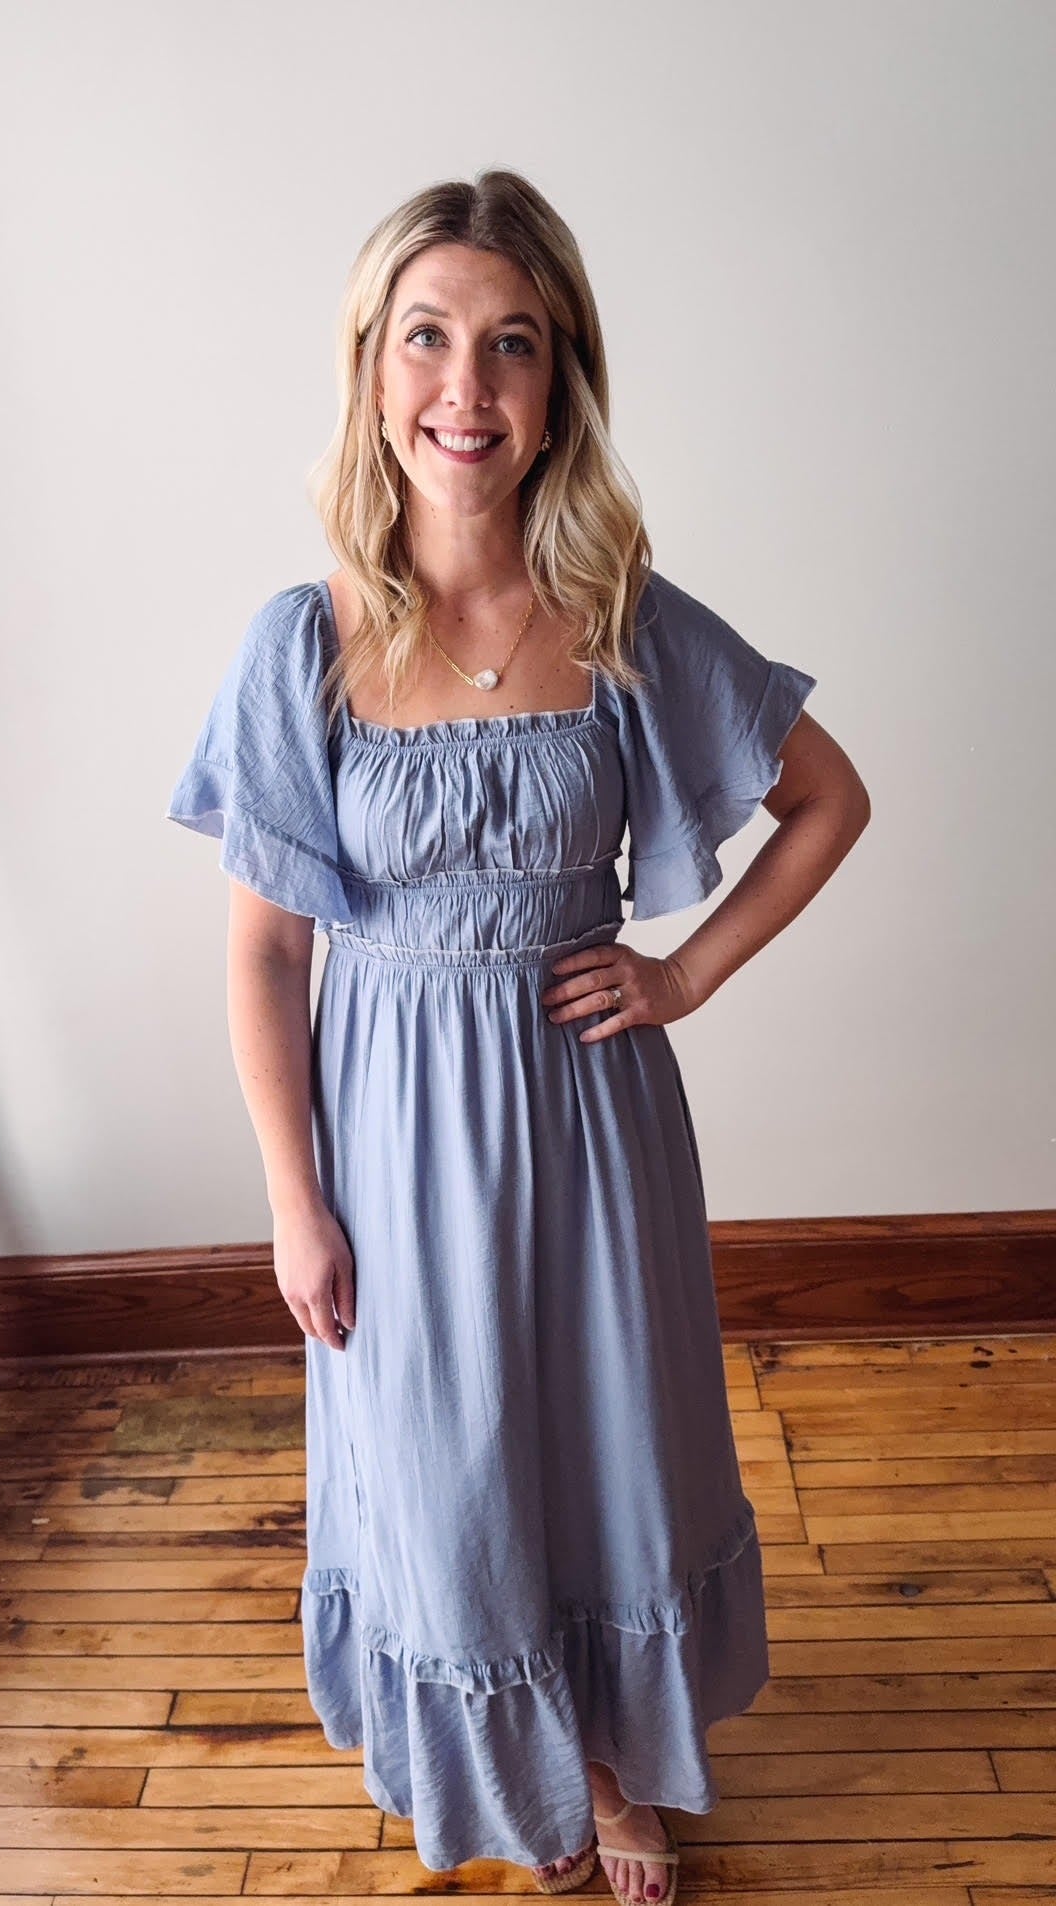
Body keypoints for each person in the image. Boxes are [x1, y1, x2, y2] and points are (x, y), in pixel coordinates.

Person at [167, 168, 870, 1905]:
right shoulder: (304, 644)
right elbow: (264, 952)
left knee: (604, 1437)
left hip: (590, 1116)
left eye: (511, 346)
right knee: (450, 1459)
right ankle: (511, 1754)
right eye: (427, 338)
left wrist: (685, 976)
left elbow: (827, 798)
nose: (463, 388)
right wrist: (291, 1195)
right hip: (390, 1130)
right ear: (371, 366)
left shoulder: (620, 611)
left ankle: (617, 1769)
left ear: (560, 383)